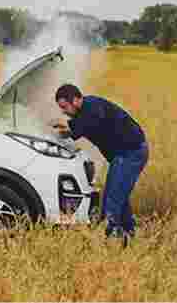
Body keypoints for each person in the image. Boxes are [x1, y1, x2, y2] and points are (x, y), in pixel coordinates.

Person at [50, 84, 148, 243]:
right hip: (122, 156)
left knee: (112, 199)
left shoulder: (93, 107)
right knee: (117, 195)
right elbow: (75, 130)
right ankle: (129, 235)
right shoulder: (85, 112)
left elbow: (85, 124)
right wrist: (53, 132)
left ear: (75, 100)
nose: (64, 111)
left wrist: (63, 126)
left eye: (64, 107)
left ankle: (113, 239)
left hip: (131, 153)